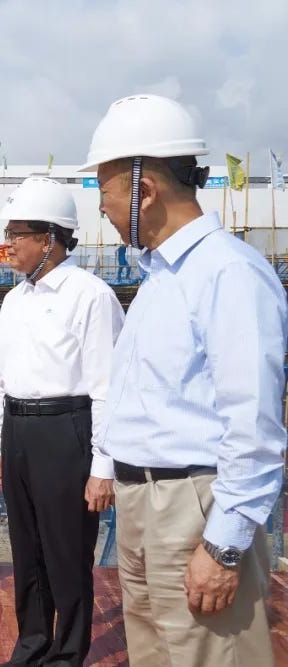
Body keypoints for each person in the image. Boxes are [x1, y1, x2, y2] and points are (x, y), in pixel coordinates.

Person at [82, 93, 287, 665]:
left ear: (144, 191)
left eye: (104, 190)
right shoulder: (162, 277)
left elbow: (253, 423)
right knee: (156, 654)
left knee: (209, 656)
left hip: (194, 506)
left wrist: (223, 548)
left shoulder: (228, 273)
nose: (100, 206)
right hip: (142, 501)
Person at [0, 177, 123, 666]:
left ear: (50, 238)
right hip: (20, 428)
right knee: (28, 552)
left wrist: (102, 466)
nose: (8, 243)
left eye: (17, 233)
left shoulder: (91, 296)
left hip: (67, 429)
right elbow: (2, 378)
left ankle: (67, 655)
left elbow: (108, 387)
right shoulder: (13, 300)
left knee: (68, 554)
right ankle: (32, 645)